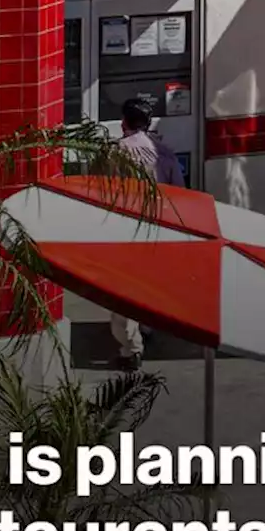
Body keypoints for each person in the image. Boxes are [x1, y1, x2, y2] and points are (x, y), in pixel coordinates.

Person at [110, 99, 184, 371]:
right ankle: (148, 327)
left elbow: (109, 191)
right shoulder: (164, 153)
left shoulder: (120, 151)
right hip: (159, 227)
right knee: (150, 281)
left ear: (124, 122)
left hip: (130, 226)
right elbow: (181, 193)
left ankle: (131, 348)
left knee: (124, 289)